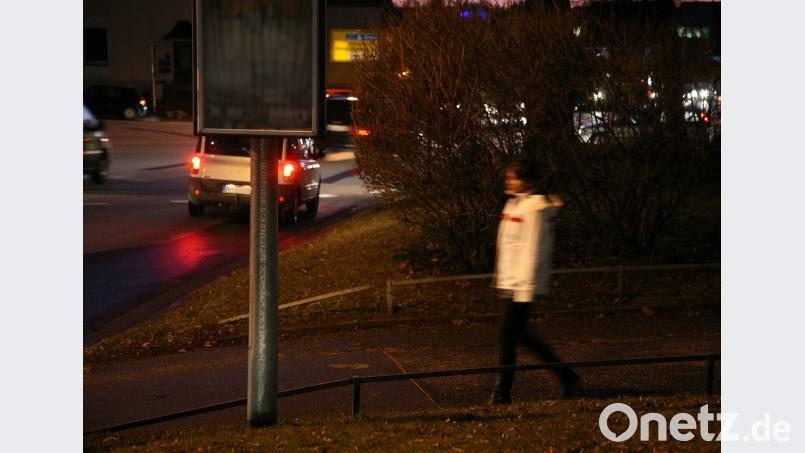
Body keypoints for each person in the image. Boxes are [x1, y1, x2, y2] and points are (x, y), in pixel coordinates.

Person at [490, 159, 580, 405]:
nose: (509, 182)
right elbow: (509, 247)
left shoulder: (533, 210)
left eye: (513, 178)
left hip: (522, 285)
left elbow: (532, 251)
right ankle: (567, 376)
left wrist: (524, 288)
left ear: (526, 180)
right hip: (514, 283)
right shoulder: (515, 204)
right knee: (520, 336)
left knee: (506, 335)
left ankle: (501, 392)